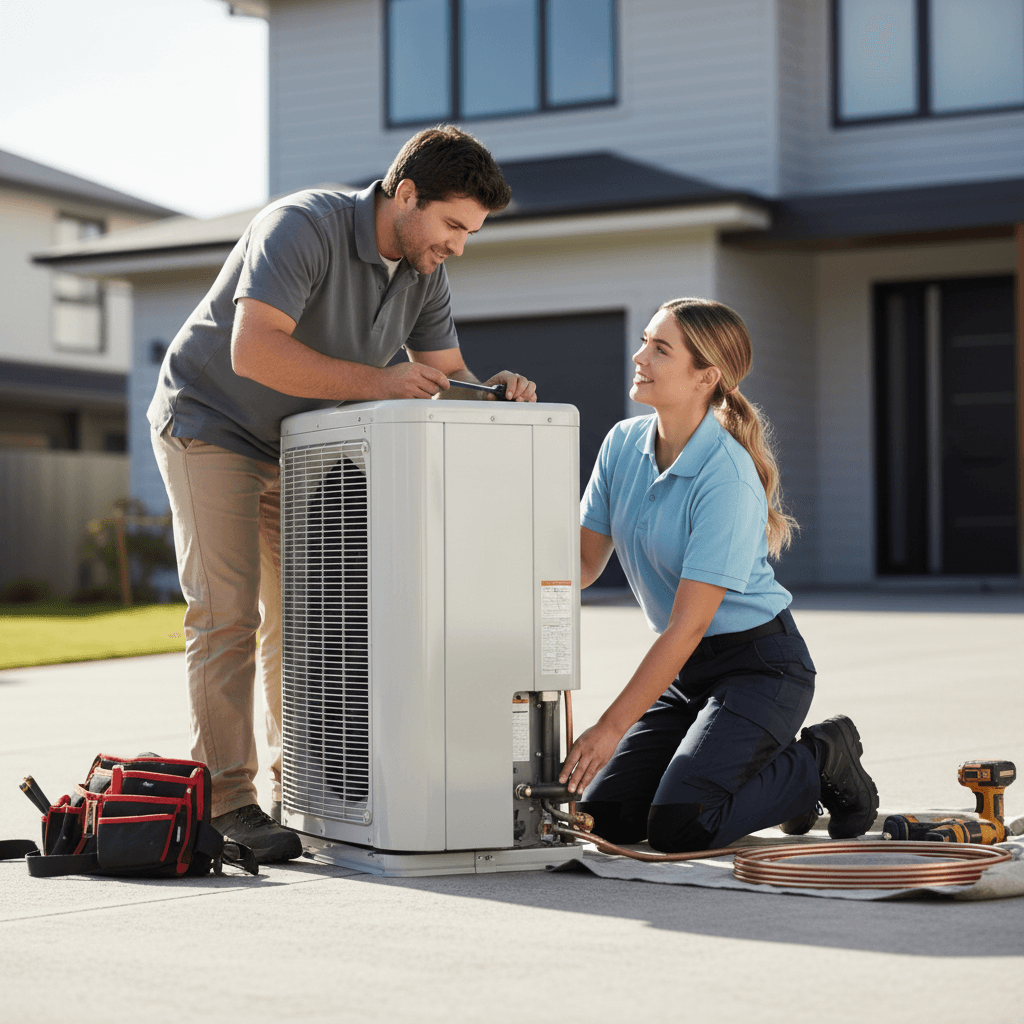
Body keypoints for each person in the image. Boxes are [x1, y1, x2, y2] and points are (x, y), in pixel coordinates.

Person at [149, 126, 537, 862]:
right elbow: (252, 348)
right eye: (454, 225)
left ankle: (303, 786)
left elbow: (447, 374)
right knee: (226, 613)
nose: (458, 245)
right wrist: (378, 382)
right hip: (213, 424)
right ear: (407, 194)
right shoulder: (301, 227)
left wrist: (496, 392)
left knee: (305, 621)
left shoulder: (425, 271)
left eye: (471, 233)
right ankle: (229, 801)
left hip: (298, 444)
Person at [559, 298, 878, 852]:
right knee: (606, 817)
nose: (640, 356)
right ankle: (767, 779)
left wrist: (609, 729)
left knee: (682, 826)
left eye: (661, 349)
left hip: (760, 668)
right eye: (645, 342)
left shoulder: (725, 475)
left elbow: (684, 627)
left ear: (706, 376)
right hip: (689, 671)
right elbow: (582, 567)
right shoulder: (621, 445)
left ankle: (822, 758)